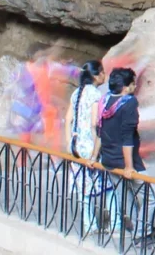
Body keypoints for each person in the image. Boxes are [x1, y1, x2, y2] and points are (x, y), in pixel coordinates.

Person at [98, 67, 154, 240]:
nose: (134, 87)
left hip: (108, 159)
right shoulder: (128, 103)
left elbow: (99, 130)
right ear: (125, 87)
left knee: (124, 194)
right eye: (132, 84)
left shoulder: (105, 100)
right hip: (126, 161)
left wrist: (95, 157)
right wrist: (129, 166)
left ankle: (132, 227)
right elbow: (127, 137)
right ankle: (142, 233)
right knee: (149, 199)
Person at [63, 60, 106, 234]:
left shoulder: (76, 93)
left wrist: (68, 143)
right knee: (105, 185)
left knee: (83, 188)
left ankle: (88, 223)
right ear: (96, 75)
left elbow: (68, 120)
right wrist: (95, 152)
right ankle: (115, 222)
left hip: (76, 146)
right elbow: (95, 124)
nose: (105, 75)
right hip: (89, 146)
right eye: (102, 72)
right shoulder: (95, 94)